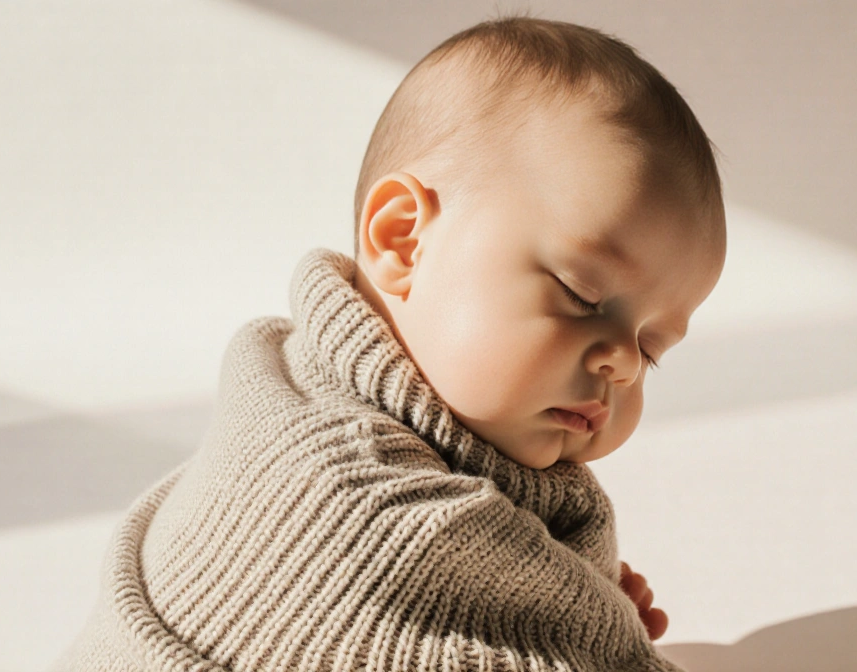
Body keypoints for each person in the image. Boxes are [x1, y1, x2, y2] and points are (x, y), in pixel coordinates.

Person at [55, 15, 725, 672]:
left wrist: (569, 592)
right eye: (582, 295)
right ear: (403, 240)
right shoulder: (356, 498)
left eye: (654, 346)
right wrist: (582, 633)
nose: (624, 361)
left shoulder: (359, 395)